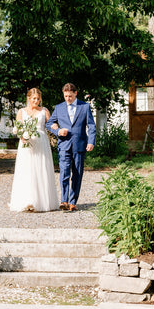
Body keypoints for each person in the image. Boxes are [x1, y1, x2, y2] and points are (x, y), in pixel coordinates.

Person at [46, 83, 96, 212]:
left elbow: (91, 126)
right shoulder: (59, 108)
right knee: (64, 173)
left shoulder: (84, 107)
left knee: (77, 174)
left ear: (75, 94)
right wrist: (58, 131)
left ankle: (73, 202)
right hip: (64, 145)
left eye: (70, 96)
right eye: (65, 96)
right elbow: (50, 123)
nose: (68, 98)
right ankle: (64, 201)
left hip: (80, 145)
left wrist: (91, 142)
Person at [9, 88, 59, 212]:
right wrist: (22, 135)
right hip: (26, 144)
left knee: (40, 169)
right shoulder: (21, 112)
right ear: (29, 99)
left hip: (41, 143)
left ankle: (42, 202)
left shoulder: (44, 111)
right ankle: (27, 201)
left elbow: (51, 124)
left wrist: (56, 127)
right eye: (34, 99)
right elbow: (18, 127)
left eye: (38, 99)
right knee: (27, 170)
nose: (36, 101)